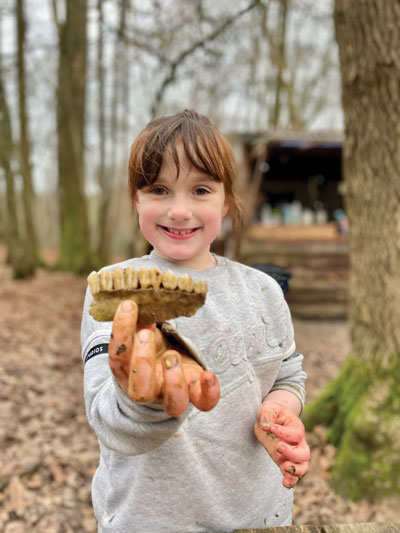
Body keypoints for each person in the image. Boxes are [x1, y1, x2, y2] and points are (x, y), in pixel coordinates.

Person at [81, 109, 310, 533]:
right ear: (136, 199)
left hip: (257, 517)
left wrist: (279, 413)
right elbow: (110, 424)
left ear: (226, 200)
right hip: (147, 521)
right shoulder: (114, 294)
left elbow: (287, 374)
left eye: (200, 189)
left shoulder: (262, 292)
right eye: (159, 189)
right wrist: (143, 400)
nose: (180, 210)